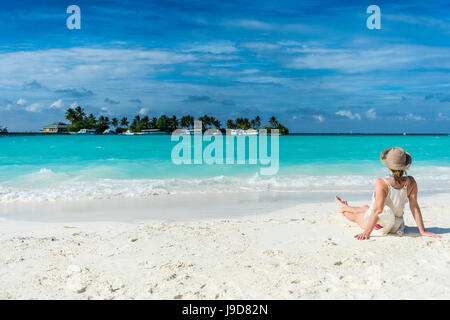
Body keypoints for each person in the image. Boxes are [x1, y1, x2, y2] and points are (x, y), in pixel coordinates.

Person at [335, 147, 441, 240]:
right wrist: (422, 231)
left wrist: (366, 232)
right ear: (405, 166)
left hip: (380, 225)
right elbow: (414, 207)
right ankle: (345, 206)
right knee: (366, 207)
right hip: (397, 225)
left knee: (356, 217)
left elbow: (377, 211)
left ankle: (343, 209)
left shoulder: (382, 183)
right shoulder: (411, 182)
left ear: (388, 166)